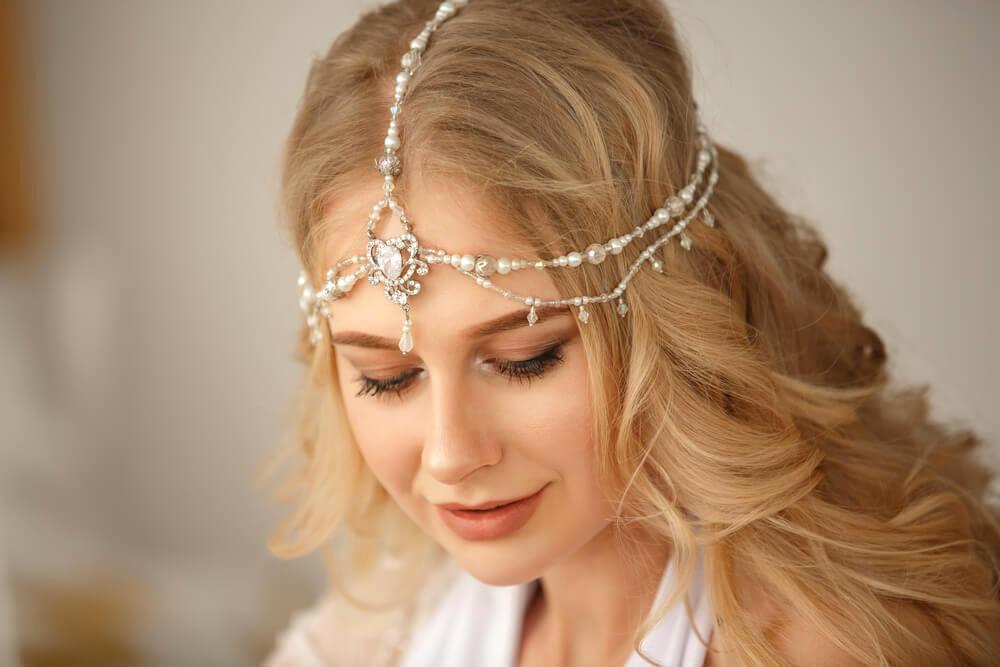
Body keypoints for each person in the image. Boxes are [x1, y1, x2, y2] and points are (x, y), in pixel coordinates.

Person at [261, 1, 1000, 665]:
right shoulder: (390, 623)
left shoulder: (832, 649)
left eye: (525, 359)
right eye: (387, 377)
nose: (452, 455)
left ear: (673, 320)